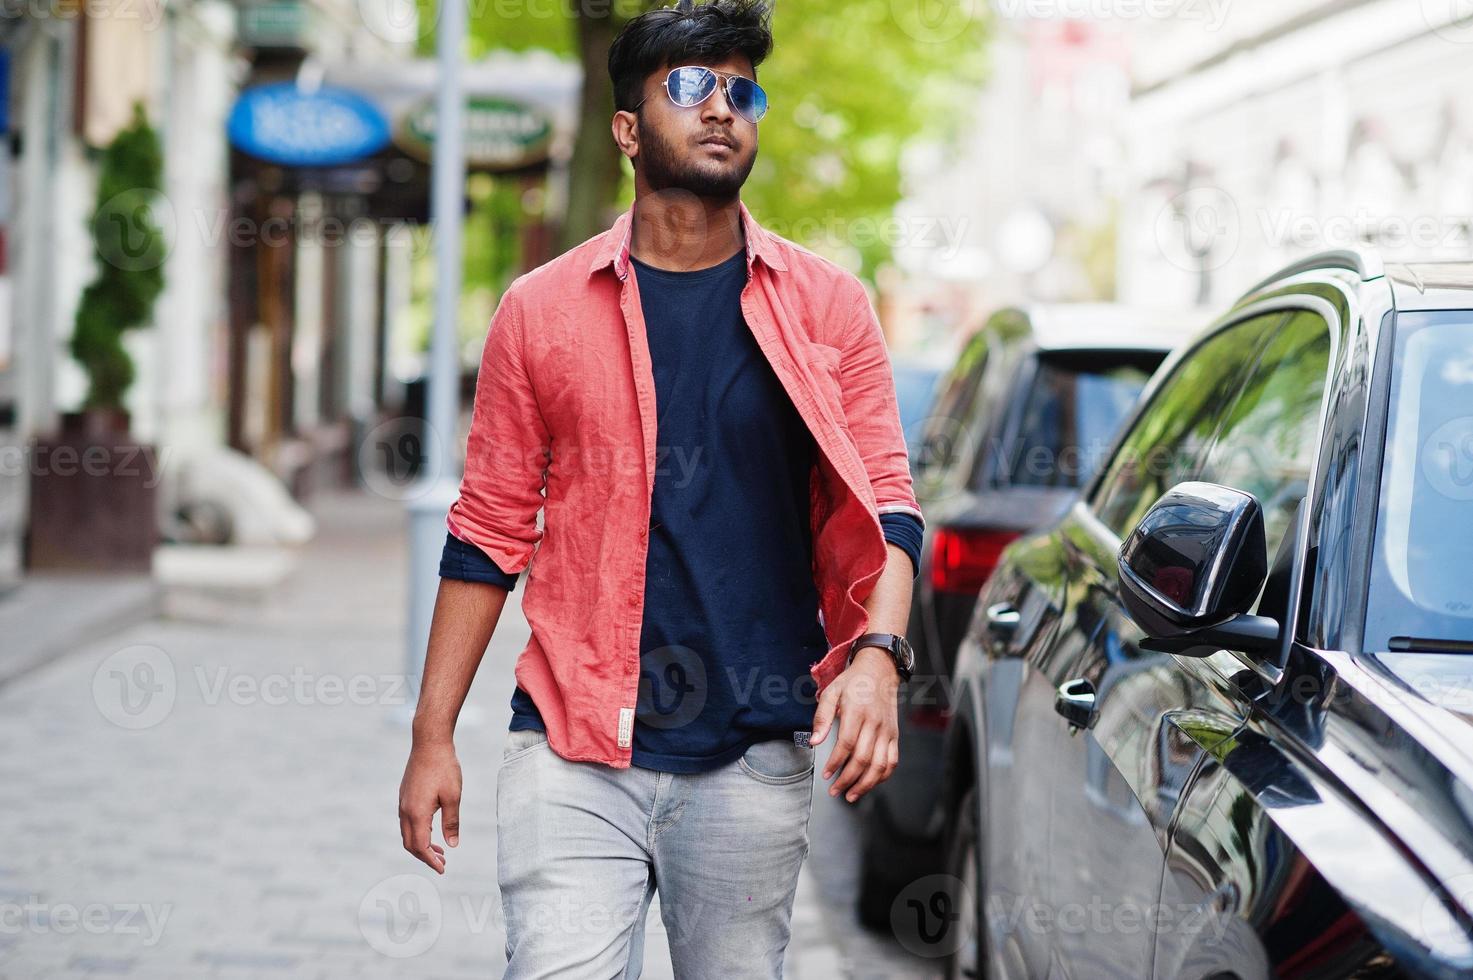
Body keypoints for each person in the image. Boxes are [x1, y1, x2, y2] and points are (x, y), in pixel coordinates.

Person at [397, 1, 924, 975]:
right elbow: (487, 532)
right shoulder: (541, 310)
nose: (722, 107)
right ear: (629, 130)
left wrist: (878, 657)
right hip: (572, 743)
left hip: (752, 752)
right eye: (690, 86)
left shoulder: (827, 308)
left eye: (741, 90)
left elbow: (889, 501)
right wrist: (433, 735)